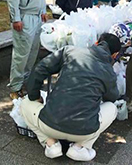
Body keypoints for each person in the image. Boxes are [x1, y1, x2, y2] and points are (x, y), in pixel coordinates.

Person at [21, 33, 120, 161]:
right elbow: (112, 98)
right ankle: (80, 147)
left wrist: (36, 96)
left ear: (96, 43)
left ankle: (50, 143)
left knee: (25, 103)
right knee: (112, 108)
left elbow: (40, 69)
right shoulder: (109, 72)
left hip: (50, 125)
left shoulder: (70, 51)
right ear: (115, 55)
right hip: (84, 131)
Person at [7, 0, 47, 100]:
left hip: (37, 17)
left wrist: (43, 10)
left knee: (32, 53)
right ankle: (15, 87)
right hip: (24, 17)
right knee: (21, 55)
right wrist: (15, 18)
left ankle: (26, 82)